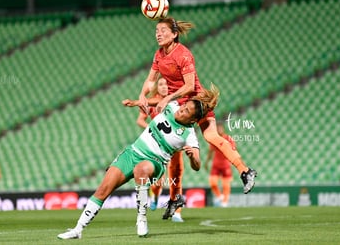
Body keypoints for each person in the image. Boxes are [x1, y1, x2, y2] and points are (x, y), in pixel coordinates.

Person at [58, 85, 219, 239]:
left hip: (154, 162)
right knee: (102, 190)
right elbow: (154, 101)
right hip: (132, 153)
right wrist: (137, 102)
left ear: (193, 120)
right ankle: (77, 230)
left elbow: (197, 165)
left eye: (186, 112)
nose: (181, 110)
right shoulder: (172, 105)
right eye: (184, 107)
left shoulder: (189, 135)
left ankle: (141, 218)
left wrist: (192, 157)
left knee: (141, 170)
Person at [136, 17, 257, 206]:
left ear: (175, 34)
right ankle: (175, 198)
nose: (158, 34)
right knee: (174, 150)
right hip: (179, 106)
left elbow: (190, 85)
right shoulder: (159, 55)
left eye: (163, 30)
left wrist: (167, 97)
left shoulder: (183, 54)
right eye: (156, 31)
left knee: (211, 136)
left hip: (195, 103)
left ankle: (245, 171)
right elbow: (151, 80)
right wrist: (142, 95)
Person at [123, 77, 185, 222]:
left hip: (173, 146)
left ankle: (177, 212)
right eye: (161, 84)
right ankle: (155, 195)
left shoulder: (175, 102)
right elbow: (140, 120)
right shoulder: (151, 102)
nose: (164, 87)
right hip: (157, 145)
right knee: (158, 180)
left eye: (167, 84)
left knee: (176, 176)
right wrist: (154, 130)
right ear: (157, 87)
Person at [205, 122, 234, 207]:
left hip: (225, 165)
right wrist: (207, 162)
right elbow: (210, 152)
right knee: (212, 182)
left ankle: (225, 202)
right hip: (216, 165)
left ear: (223, 129)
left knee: (226, 185)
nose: (219, 130)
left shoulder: (228, 138)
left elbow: (233, 150)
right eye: (217, 128)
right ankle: (219, 196)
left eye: (220, 128)